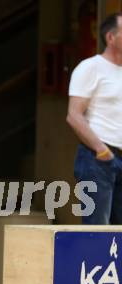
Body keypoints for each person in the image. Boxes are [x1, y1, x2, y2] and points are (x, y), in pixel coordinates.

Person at [67, 13, 122, 224]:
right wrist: (102, 150)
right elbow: (74, 115)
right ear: (111, 38)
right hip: (98, 160)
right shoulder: (90, 67)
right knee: (97, 233)